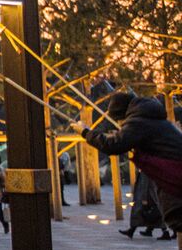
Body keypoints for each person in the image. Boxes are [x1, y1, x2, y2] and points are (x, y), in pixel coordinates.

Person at [76, 91, 182, 238]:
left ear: (122, 114)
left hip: (172, 173)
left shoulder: (138, 122)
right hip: (171, 171)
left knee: (176, 217)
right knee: (175, 217)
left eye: (119, 121)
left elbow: (113, 145)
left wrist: (85, 132)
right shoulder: (150, 117)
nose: (120, 125)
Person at [121, 170, 165, 239]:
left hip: (146, 196)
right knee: (151, 214)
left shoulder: (145, 170)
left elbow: (145, 184)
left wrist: (144, 198)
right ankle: (138, 230)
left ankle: (132, 230)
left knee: (141, 213)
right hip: (149, 195)